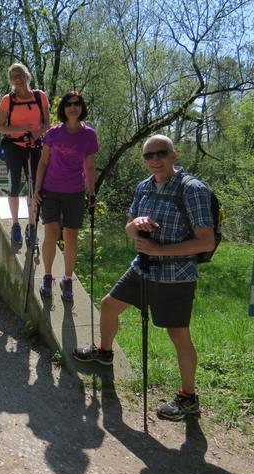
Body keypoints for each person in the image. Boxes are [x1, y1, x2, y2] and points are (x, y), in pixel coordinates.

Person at [73, 134, 215, 422]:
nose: (155, 160)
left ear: (174, 155)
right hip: (143, 266)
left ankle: (188, 398)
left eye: (161, 153)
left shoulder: (192, 189)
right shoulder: (144, 188)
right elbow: (128, 228)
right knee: (109, 304)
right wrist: (135, 225)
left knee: (178, 335)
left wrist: (162, 249)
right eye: (149, 156)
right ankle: (105, 352)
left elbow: (206, 242)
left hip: (175, 276)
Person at [33, 91, 98, 301]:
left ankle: (67, 279)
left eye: (77, 104)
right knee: (51, 232)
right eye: (69, 104)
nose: (73, 107)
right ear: (63, 109)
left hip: (75, 191)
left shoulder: (88, 135)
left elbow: (89, 165)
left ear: (81, 107)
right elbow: (43, 162)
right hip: (51, 190)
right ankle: (47, 276)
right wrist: (37, 189)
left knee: (71, 236)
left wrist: (92, 190)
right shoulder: (53, 133)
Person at [0, 63, 50, 246]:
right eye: (13, 77)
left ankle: (33, 224)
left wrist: (37, 132)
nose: (18, 79)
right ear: (11, 81)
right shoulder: (7, 100)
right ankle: (16, 225)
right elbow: (0, 127)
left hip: (34, 145)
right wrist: (22, 129)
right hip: (13, 146)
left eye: (20, 75)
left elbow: (46, 123)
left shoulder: (39, 96)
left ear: (27, 75)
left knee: (35, 185)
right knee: (14, 184)